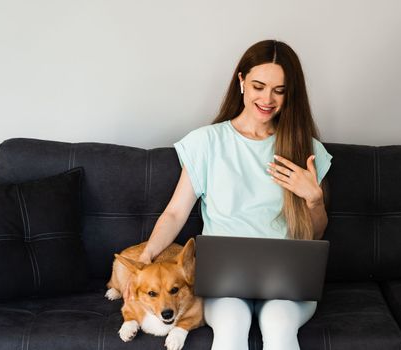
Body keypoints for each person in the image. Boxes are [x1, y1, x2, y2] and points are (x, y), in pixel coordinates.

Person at [139, 39, 333, 350]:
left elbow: (316, 233)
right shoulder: (206, 143)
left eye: (279, 90)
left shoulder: (306, 149)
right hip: (224, 283)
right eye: (258, 86)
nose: (267, 99)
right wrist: (147, 256)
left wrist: (314, 200)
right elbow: (175, 213)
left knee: (279, 324)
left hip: (288, 284)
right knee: (230, 326)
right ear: (241, 81)